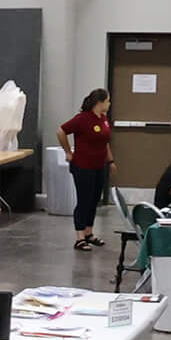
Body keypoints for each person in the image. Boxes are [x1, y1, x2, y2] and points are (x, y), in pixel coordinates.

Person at [57, 89, 114, 250]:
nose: (109, 104)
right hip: (83, 166)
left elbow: (105, 142)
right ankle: (80, 236)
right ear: (100, 102)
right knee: (84, 199)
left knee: (95, 199)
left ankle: (89, 232)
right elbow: (61, 131)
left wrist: (111, 160)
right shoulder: (82, 119)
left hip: (99, 165)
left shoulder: (103, 119)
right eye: (108, 101)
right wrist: (68, 151)